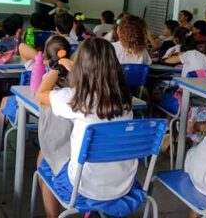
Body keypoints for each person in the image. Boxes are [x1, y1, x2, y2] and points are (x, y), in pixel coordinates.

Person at [36, 38, 136, 217]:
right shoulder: (125, 100)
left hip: (82, 188)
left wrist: (55, 68)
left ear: (81, 65)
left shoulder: (76, 98)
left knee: (45, 163)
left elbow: (41, 94)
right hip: (123, 185)